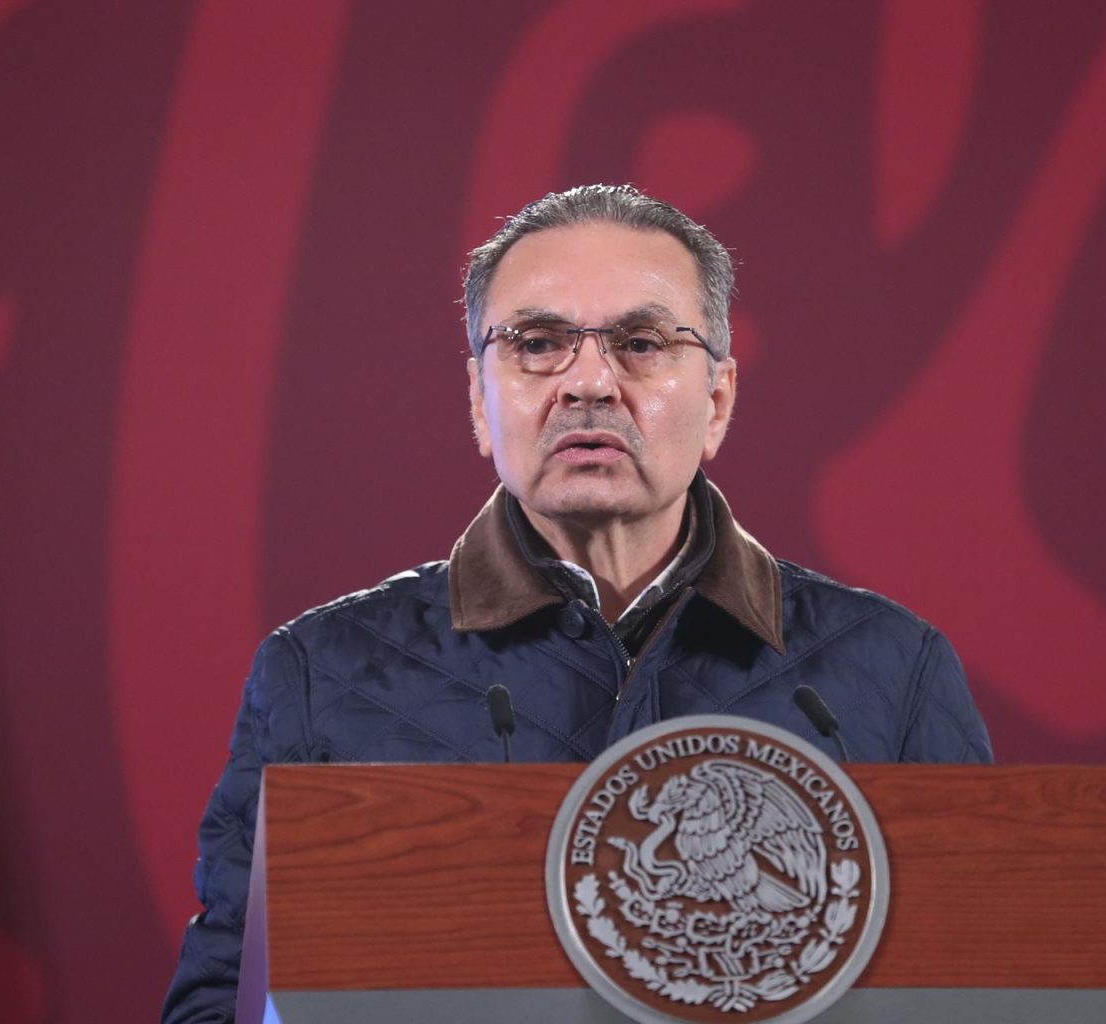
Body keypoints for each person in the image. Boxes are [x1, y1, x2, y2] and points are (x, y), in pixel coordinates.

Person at [161, 184, 991, 1022]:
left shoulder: (888, 669)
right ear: (479, 402)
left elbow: (994, 983)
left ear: (718, 400)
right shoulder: (324, 672)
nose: (589, 383)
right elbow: (220, 1002)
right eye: (537, 344)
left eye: (640, 342)